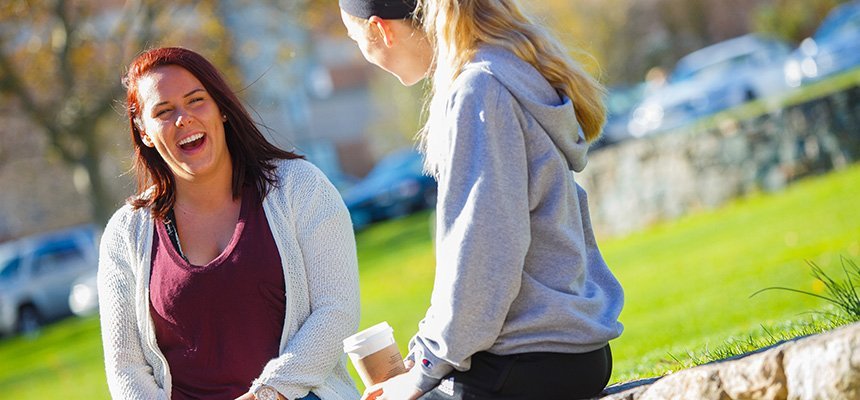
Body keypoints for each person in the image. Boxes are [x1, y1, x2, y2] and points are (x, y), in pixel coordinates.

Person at [339, 1, 624, 399]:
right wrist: (425, 355)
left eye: (358, 42)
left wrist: (423, 369)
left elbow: (483, 256)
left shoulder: (478, 91)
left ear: (381, 30)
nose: (364, 57)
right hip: (568, 348)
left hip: (527, 359)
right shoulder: (508, 70)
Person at [98, 47, 361, 400]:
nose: (183, 119)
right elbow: (125, 368)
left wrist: (267, 394)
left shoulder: (301, 187)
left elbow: (336, 310)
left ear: (221, 108)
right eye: (163, 111)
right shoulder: (126, 233)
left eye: (196, 101)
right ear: (143, 131)